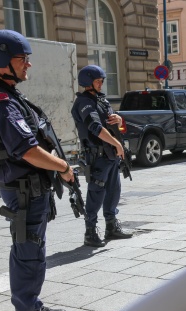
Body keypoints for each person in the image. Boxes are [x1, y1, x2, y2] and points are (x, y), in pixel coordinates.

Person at [0, 29, 72, 311]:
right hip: (24, 189)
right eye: (22, 58)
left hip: (29, 187)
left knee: (32, 251)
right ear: (2, 61)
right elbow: (27, 150)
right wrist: (64, 168)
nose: (28, 65)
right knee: (28, 253)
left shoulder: (8, 93)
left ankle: (31, 306)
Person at [71, 65, 133, 247]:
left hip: (110, 155)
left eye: (102, 81)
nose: (101, 84)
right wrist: (117, 144)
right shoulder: (84, 103)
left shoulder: (101, 101)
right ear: (87, 82)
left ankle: (111, 227)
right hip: (97, 156)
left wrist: (119, 120)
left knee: (113, 191)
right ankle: (90, 232)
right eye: (98, 81)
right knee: (96, 193)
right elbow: (95, 127)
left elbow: (113, 123)